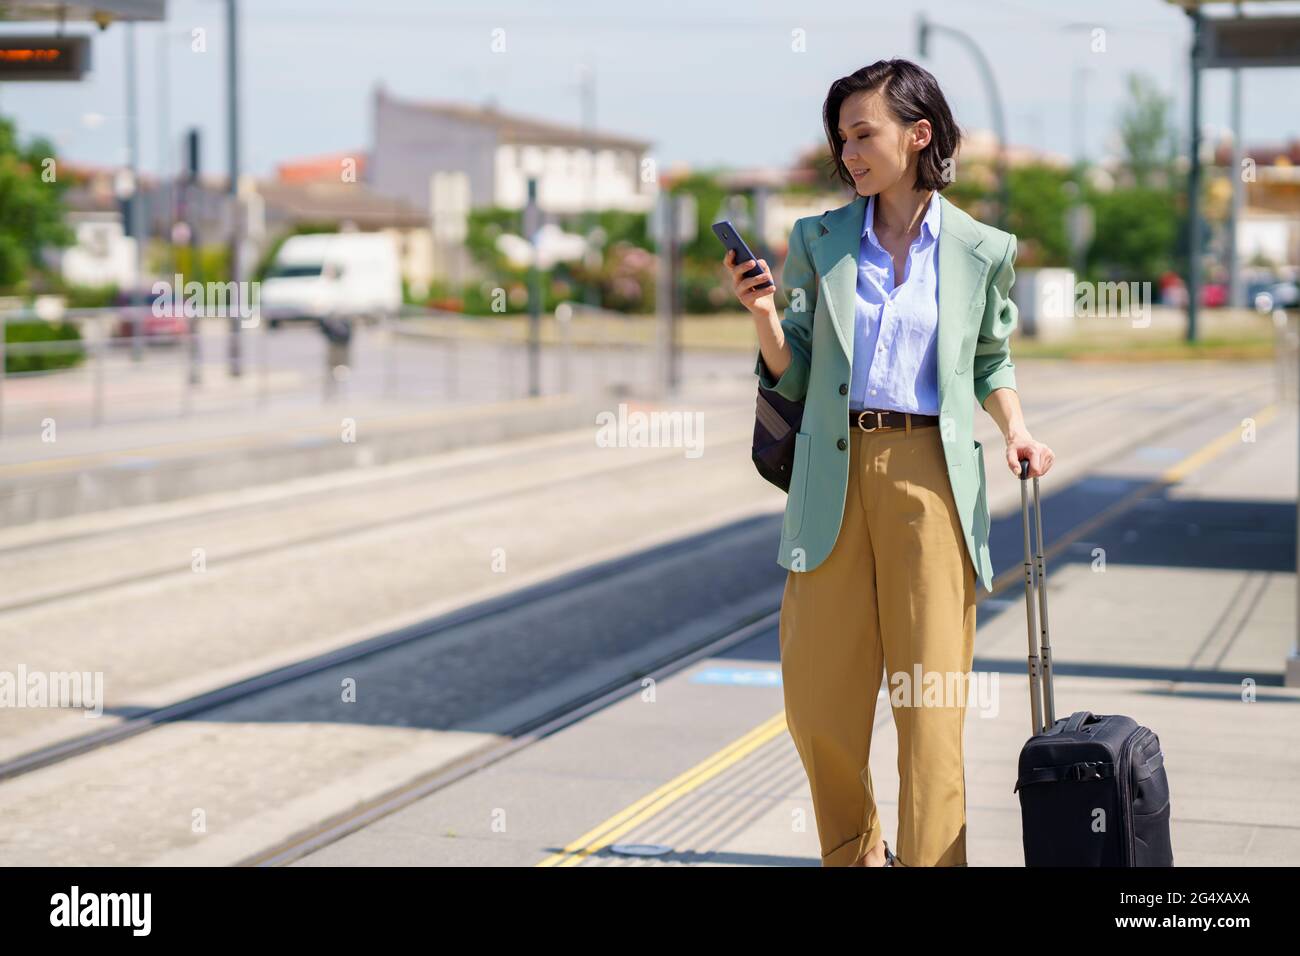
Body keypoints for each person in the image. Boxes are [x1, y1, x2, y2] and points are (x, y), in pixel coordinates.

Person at [726, 58, 1055, 867]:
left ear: (918, 134)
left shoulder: (982, 248)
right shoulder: (819, 240)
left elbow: (990, 359)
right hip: (832, 473)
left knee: (930, 708)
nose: (850, 153)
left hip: (931, 479)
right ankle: (854, 851)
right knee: (817, 701)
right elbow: (794, 368)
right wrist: (764, 313)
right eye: (842, 139)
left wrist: (1015, 428)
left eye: (864, 133)